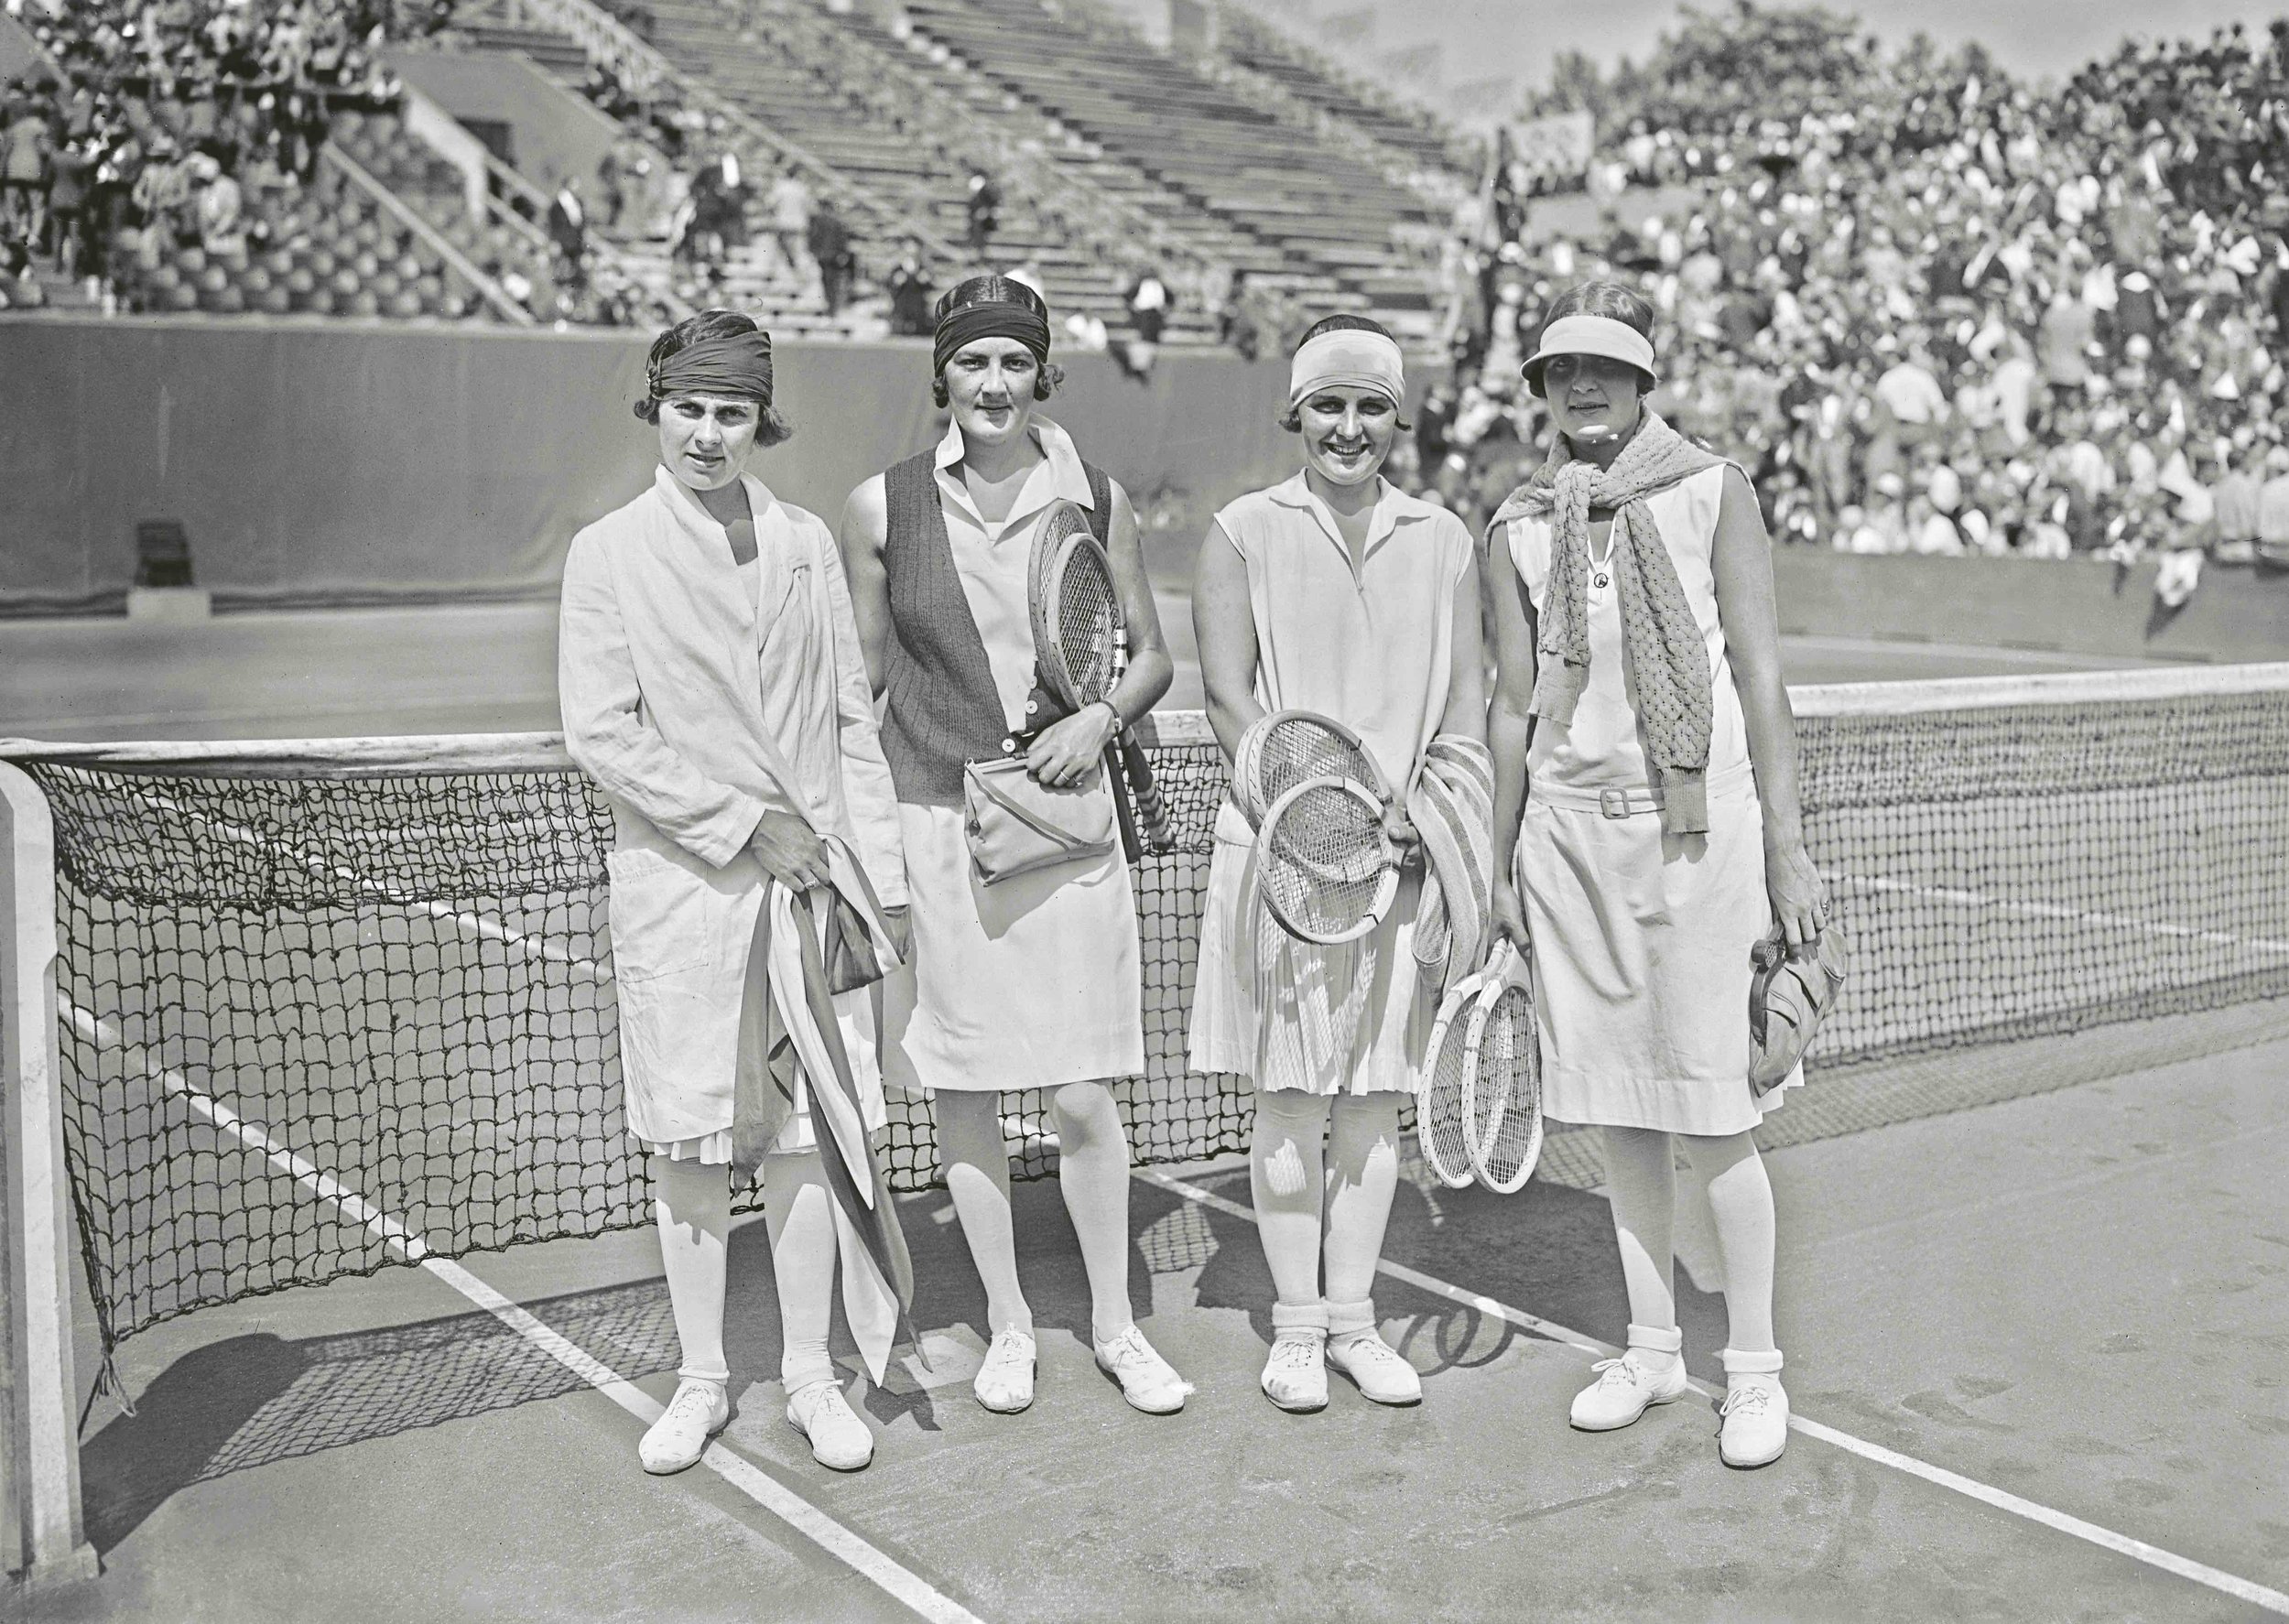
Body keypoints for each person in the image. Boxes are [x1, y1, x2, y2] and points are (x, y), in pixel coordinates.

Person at [559, 310, 915, 1477]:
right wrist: (741, 825)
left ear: (763, 418)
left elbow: (853, 726)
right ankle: (703, 1378)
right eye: (690, 410)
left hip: (815, 896)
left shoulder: (808, 540)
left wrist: (881, 883)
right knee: (694, 1144)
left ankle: (809, 1372)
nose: (709, 435)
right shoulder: (606, 551)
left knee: (810, 1138)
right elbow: (603, 734)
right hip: (687, 892)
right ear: (656, 410)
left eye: (732, 413)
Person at [1482, 282, 1829, 1470]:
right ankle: (1652, 1347)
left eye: (1607, 367)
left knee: (1717, 1118)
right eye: (1561, 367)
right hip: (1570, 843)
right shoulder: (1517, 526)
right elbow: (1513, 705)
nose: (1584, 385)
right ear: (1541, 388)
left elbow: (1765, 676)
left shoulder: (1712, 491)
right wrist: (1494, 870)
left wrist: (1788, 847)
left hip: (1703, 835)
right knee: (1622, 1117)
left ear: (1643, 382)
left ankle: (1756, 1368)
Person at [836, 275, 1190, 1417]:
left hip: (1068, 830)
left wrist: (1101, 717)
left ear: (1043, 374)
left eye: (1012, 363)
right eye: (972, 362)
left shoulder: (1097, 497)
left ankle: (1116, 1325)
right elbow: (864, 686)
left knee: (1084, 1095)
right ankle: (1008, 1324)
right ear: (941, 373)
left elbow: (1147, 656)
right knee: (969, 1095)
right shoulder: (880, 509)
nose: (993, 384)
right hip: (939, 829)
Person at [1188, 314, 1487, 1413]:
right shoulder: (1240, 532)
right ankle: (1297, 1330)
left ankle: (1354, 1322)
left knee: (1370, 1106)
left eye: (1370, 407)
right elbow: (1231, 701)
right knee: (1289, 1099)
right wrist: (1313, 825)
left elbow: (1465, 702)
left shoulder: (1445, 540)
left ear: (1396, 419)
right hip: (1278, 860)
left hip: (1402, 859)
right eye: (1329, 405)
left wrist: (1428, 806)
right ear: (1296, 413)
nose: (1348, 427)